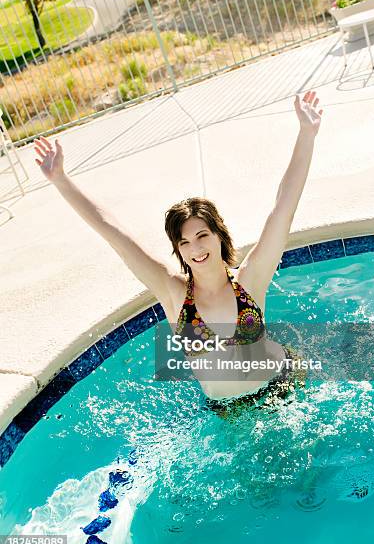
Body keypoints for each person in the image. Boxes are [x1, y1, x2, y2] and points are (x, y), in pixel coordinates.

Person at [34, 90, 323, 419]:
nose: (196, 248)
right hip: (228, 410)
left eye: (202, 236)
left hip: (279, 386)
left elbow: (283, 208)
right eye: (185, 243)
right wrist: (61, 180)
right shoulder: (174, 295)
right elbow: (112, 231)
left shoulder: (250, 280)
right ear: (178, 250)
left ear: (219, 236)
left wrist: (307, 134)